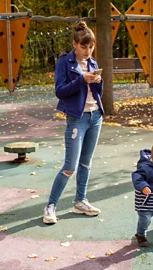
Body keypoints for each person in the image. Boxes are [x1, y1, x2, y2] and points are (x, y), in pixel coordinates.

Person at [43, 21, 104, 224]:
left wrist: (97, 82)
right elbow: (60, 91)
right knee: (70, 166)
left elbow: (97, 94)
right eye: (84, 46)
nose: (88, 51)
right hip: (77, 120)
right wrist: (82, 80)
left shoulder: (93, 63)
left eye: (91, 46)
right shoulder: (64, 62)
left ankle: (80, 201)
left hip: (95, 117)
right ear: (75, 44)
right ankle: (50, 206)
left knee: (86, 164)